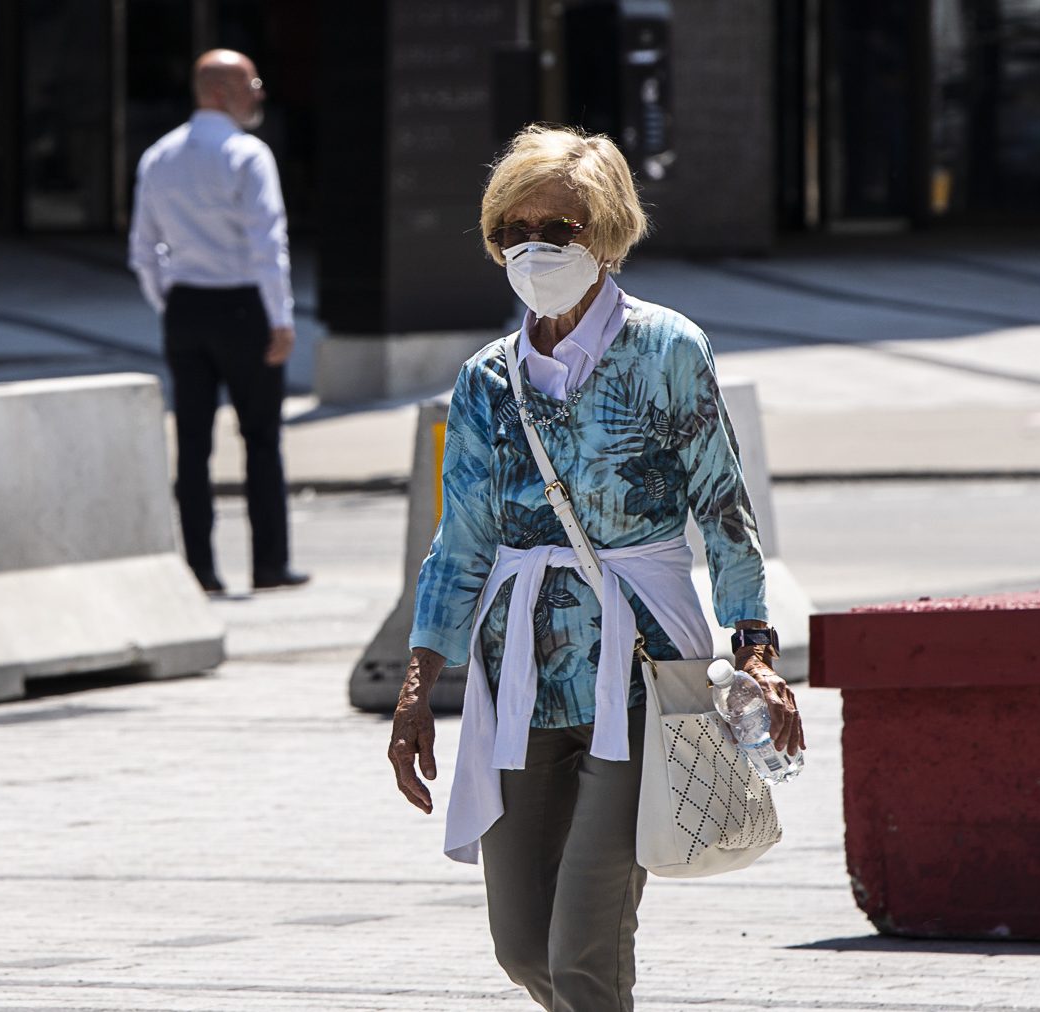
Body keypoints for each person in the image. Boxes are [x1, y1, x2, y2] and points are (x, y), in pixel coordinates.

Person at [385, 125, 806, 1011]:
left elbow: (724, 511)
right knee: (521, 947)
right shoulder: (485, 381)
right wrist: (418, 685)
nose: (536, 247)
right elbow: (459, 541)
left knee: (582, 947)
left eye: (562, 228)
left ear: (608, 234)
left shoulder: (667, 351)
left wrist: (757, 651)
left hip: (643, 674)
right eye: (517, 229)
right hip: (519, 683)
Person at [129, 48, 309, 595]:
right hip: (242, 306)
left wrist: (171, 303)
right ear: (220, 93)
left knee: (192, 441)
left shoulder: (158, 156)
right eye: (251, 83)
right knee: (260, 438)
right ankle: (269, 565)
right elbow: (266, 243)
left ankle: (200, 570)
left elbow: (142, 250)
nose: (260, 93)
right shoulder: (248, 155)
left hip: (187, 306)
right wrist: (280, 317)